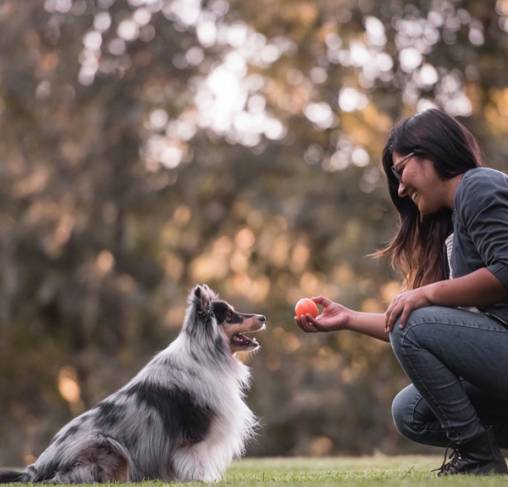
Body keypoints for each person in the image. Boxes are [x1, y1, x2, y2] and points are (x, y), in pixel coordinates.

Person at [295, 108, 508, 476]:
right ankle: (479, 454)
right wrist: (349, 319)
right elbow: (416, 325)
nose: (400, 188)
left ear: (432, 153)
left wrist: (427, 295)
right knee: (410, 411)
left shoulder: (478, 185)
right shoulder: (454, 223)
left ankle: (479, 460)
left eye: (400, 170)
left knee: (414, 321)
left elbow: (506, 271)